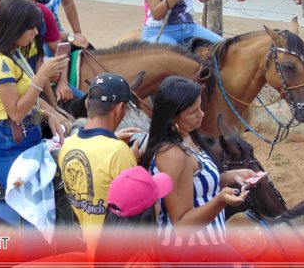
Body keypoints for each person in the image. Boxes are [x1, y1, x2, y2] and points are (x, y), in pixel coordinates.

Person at [140, 76, 255, 263]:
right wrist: (221, 201)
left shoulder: (188, 137)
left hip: (207, 244)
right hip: (189, 252)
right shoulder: (173, 155)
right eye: (193, 112)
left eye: (200, 107)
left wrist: (230, 177)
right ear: (173, 117)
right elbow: (181, 224)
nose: (201, 114)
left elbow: (195, 185)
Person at [0, 0, 69, 189]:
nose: (36, 33)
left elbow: (25, 107)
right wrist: (41, 76)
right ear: (15, 27)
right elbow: (16, 113)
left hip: (27, 140)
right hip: (8, 148)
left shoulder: (14, 56)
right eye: (31, 27)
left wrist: (45, 115)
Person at [58, 72, 141, 252]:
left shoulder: (67, 147)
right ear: (119, 108)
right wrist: (132, 159)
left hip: (89, 247)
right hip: (117, 253)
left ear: (88, 103)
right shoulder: (119, 152)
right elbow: (136, 208)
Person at [94, 166, 173, 265]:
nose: (160, 209)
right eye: (156, 201)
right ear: (146, 215)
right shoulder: (142, 261)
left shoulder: (107, 246)